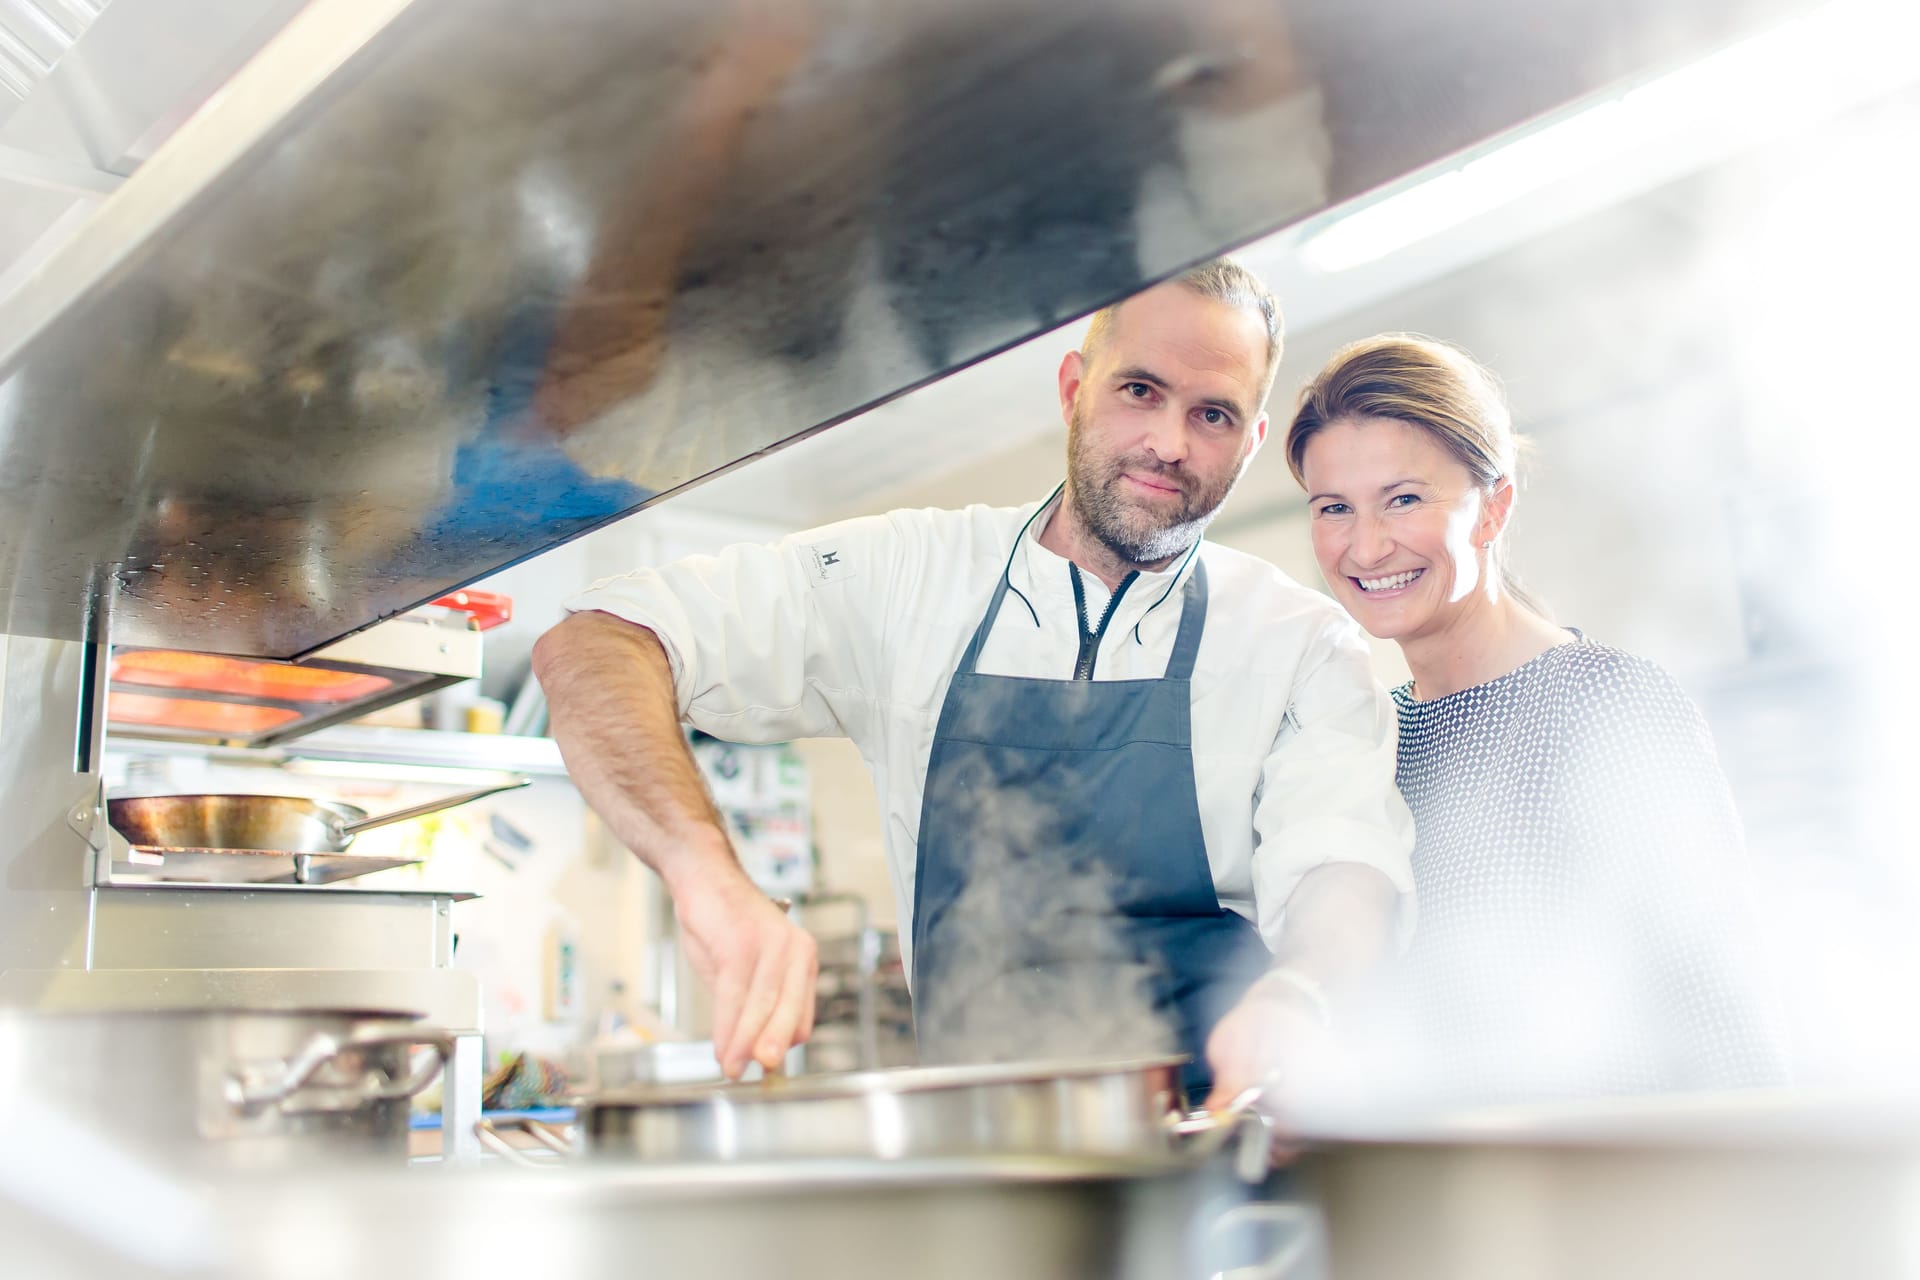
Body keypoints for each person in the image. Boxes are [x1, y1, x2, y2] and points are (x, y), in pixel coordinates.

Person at [532, 261, 1414, 1099]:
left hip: (1218, 1139)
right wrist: (707, 878)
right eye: (1139, 390)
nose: (1167, 443)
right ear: (1074, 389)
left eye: (1213, 415)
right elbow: (594, 643)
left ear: (1251, 441)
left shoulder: (1298, 642)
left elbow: (1343, 869)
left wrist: (1304, 994)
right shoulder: (909, 576)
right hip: (989, 1145)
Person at [1283, 333, 1788, 1105]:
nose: (1367, 544)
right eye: (1334, 508)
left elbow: (1723, 1011)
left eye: (1405, 498)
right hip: (1450, 1197)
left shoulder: (1610, 704)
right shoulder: (1365, 741)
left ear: (1494, 505)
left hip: (1620, 1187)